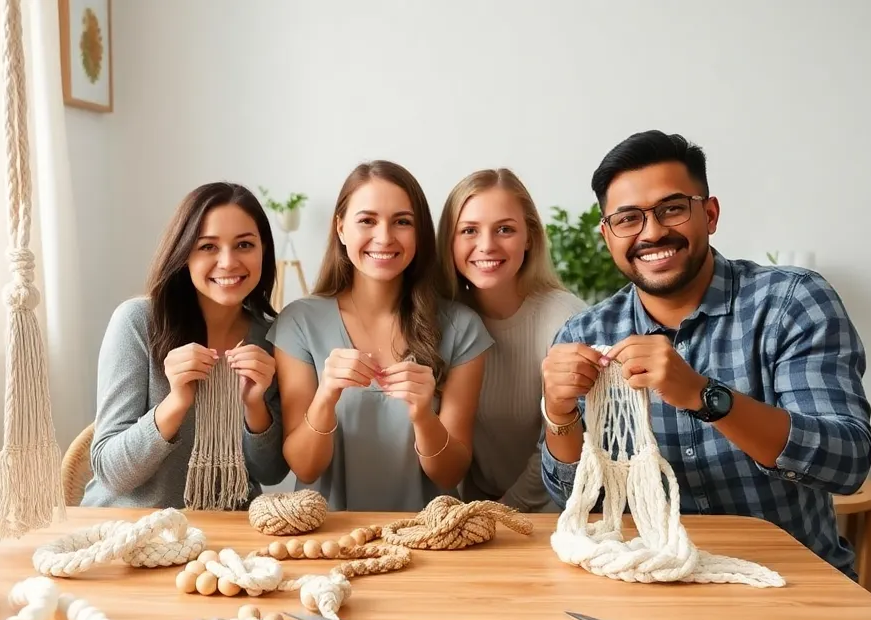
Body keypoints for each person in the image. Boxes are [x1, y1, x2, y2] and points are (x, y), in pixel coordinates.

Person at [539, 130, 871, 579]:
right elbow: (574, 498)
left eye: (672, 209)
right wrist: (558, 410)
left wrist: (702, 394)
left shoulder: (791, 302)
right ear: (607, 235)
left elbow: (846, 461)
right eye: (628, 219)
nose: (652, 232)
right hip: (650, 578)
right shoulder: (587, 332)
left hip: (792, 579)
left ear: (710, 214)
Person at [269, 160, 493, 512]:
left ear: (419, 233)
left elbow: (450, 474)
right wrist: (325, 397)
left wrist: (423, 415)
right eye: (367, 221)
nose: (385, 237)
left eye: (402, 222)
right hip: (330, 542)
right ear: (341, 229)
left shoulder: (461, 327)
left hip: (429, 542)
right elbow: (304, 467)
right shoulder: (299, 322)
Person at [82, 182, 289, 509]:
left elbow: (272, 471)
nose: (228, 262)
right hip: (127, 535)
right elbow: (111, 472)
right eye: (208, 247)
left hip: (225, 540)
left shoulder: (272, 337)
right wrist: (176, 402)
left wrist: (254, 406)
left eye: (245, 245)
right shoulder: (138, 322)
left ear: (263, 250)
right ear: (183, 253)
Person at [436, 168, 587, 511]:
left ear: (529, 237)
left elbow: (566, 444)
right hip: (472, 511)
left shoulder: (566, 320)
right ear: (450, 240)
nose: (486, 245)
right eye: (469, 230)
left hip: (556, 513)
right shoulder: (441, 321)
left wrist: (503, 509)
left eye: (505, 229)